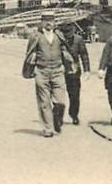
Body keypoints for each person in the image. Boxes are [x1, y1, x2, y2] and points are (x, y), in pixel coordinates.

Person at [24, 10, 74, 138]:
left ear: (54, 22)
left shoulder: (59, 36)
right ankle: (48, 128)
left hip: (58, 72)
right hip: (41, 71)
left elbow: (65, 51)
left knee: (61, 102)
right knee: (44, 102)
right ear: (41, 22)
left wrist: (68, 64)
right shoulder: (35, 36)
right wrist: (32, 67)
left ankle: (57, 121)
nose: (48, 23)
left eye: (51, 20)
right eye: (46, 20)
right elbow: (29, 53)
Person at [59, 21, 90, 125]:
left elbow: (84, 55)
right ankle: (59, 117)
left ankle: (74, 115)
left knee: (74, 96)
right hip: (60, 72)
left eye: (69, 32)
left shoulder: (78, 40)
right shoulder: (58, 40)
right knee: (59, 95)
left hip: (74, 72)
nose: (68, 34)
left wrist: (87, 70)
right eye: (65, 32)